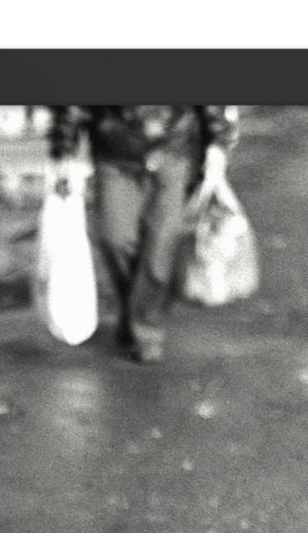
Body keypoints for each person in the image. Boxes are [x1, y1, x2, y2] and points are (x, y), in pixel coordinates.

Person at [47, 105, 240, 361]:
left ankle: (145, 329)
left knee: (161, 246)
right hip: (115, 154)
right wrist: (64, 150)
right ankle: (135, 311)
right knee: (115, 239)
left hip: (174, 150)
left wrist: (216, 145)